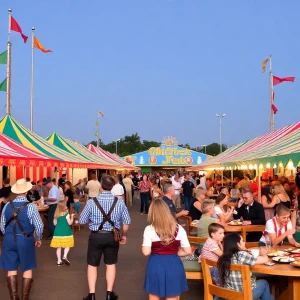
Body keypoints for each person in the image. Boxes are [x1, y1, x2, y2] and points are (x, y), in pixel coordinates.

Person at [79, 175, 131, 300]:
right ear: (113, 186)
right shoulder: (119, 202)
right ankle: (109, 293)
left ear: (100, 186)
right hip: (112, 236)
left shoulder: (92, 202)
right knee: (110, 264)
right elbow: (126, 222)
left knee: (92, 265)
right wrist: (124, 235)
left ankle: (92, 294)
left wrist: (93, 220)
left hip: (96, 236)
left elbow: (81, 221)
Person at [0, 178, 43, 300]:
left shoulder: (7, 205)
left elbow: (2, 225)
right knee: (27, 267)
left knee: (11, 268)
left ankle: (14, 298)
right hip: (25, 239)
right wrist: (38, 238)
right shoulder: (31, 207)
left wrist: (8, 235)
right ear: (27, 191)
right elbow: (39, 226)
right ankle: (24, 298)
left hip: (8, 240)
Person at [142, 199, 192, 299]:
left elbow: (146, 252)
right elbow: (188, 251)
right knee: (172, 295)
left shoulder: (149, 229)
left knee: (154, 294)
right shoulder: (179, 228)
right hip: (174, 263)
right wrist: (174, 253)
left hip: (156, 263)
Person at [217, 233, 274, 300]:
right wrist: (263, 253)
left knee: (270, 296)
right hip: (242, 296)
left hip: (229, 294)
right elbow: (265, 259)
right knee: (264, 283)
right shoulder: (241, 255)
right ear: (238, 244)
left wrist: (245, 251)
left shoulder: (223, 257)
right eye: (242, 241)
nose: (244, 243)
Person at [50, 201, 74, 265]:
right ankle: (64, 256)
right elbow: (70, 223)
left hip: (57, 233)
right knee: (68, 245)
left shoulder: (56, 216)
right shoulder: (67, 215)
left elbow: (55, 224)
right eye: (65, 206)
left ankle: (59, 261)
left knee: (58, 247)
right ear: (63, 208)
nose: (66, 207)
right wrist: (72, 217)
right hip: (66, 232)